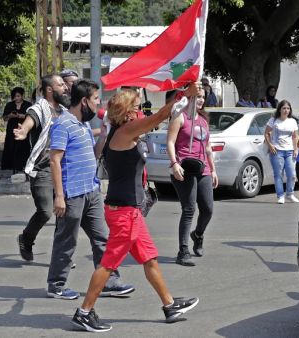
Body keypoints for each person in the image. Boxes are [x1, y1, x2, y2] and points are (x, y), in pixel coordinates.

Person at [71, 83, 201, 332]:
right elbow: (161, 116)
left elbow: (160, 120)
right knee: (108, 264)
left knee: (149, 257)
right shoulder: (126, 130)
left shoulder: (123, 132)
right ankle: (84, 312)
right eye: (138, 107)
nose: (141, 110)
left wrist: (181, 101)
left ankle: (169, 305)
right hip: (124, 211)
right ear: (128, 112)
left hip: (128, 210)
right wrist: (184, 94)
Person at [48, 79, 134, 300]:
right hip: (72, 194)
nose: (99, 103)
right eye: (96, 99)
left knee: (103, 238)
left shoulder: (84, 125)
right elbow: (54, 161)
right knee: (67, 240)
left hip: (91, 192)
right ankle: (56, 285)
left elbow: (95, 155)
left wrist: (104, 135)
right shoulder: (63, 124)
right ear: (84, 101)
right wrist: (59, 196)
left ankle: (109, 281)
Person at [13, 75, 69, 262]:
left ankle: (60, 253)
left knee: (64, 212)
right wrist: (24, 131)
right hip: (43, 168)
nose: (65, 88)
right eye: (61, 85)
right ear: (50, 90)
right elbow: (30, 120)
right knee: (45, 210)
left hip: (63, 167)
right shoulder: (39, 108)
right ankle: (26, 239)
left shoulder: (64, 111)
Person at [167, 86, 218, 266]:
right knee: (189, 209)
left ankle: (198, 235)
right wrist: (174, 164)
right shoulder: (180, 117)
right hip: (184, 168)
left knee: (208, 209)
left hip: (202, 169)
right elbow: (170, 142)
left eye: (203, 97)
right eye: (198, 96)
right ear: (189, 97)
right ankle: (183, 251)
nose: (201, 100)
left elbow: (208, 147)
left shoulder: (203, 120)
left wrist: (213, 169)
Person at [264, 100, 299, 204]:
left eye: (288, 108)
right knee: (278, 174)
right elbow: (266, 133)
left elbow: (295, 136)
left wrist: (296, 149)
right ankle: (280, 195)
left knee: (292, 174)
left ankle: (290, 194)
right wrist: (270, 145)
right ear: (279, 109)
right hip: (277, 150)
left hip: (289, 151)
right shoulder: (273, 120)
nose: (286, 110)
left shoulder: (292, 121)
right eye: (284, 108)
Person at [1, 87, 32, 171]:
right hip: (11, 128)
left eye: (18, 96)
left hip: (23, 127)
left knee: (23, 146)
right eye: (15, 96)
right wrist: (10, 115)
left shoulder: (28, 105)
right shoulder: (9, 105)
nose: (17, 98)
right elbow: (4, 118)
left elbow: (32, 117)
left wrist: (22, 116)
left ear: (22, 95)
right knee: (10, 145)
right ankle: (9, 165)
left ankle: (22, 165)